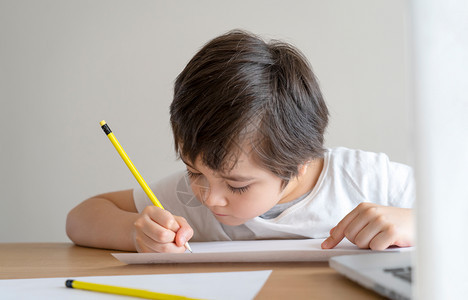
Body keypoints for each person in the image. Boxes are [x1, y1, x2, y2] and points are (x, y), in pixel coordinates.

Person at [66, 30, 414, 253]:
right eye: (194, 171)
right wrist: (134, 232)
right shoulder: (189, 198)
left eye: (237, 185)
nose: (209, 197)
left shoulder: (364, 179)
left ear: (299, 162)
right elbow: (81, 217)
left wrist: (417, 223)